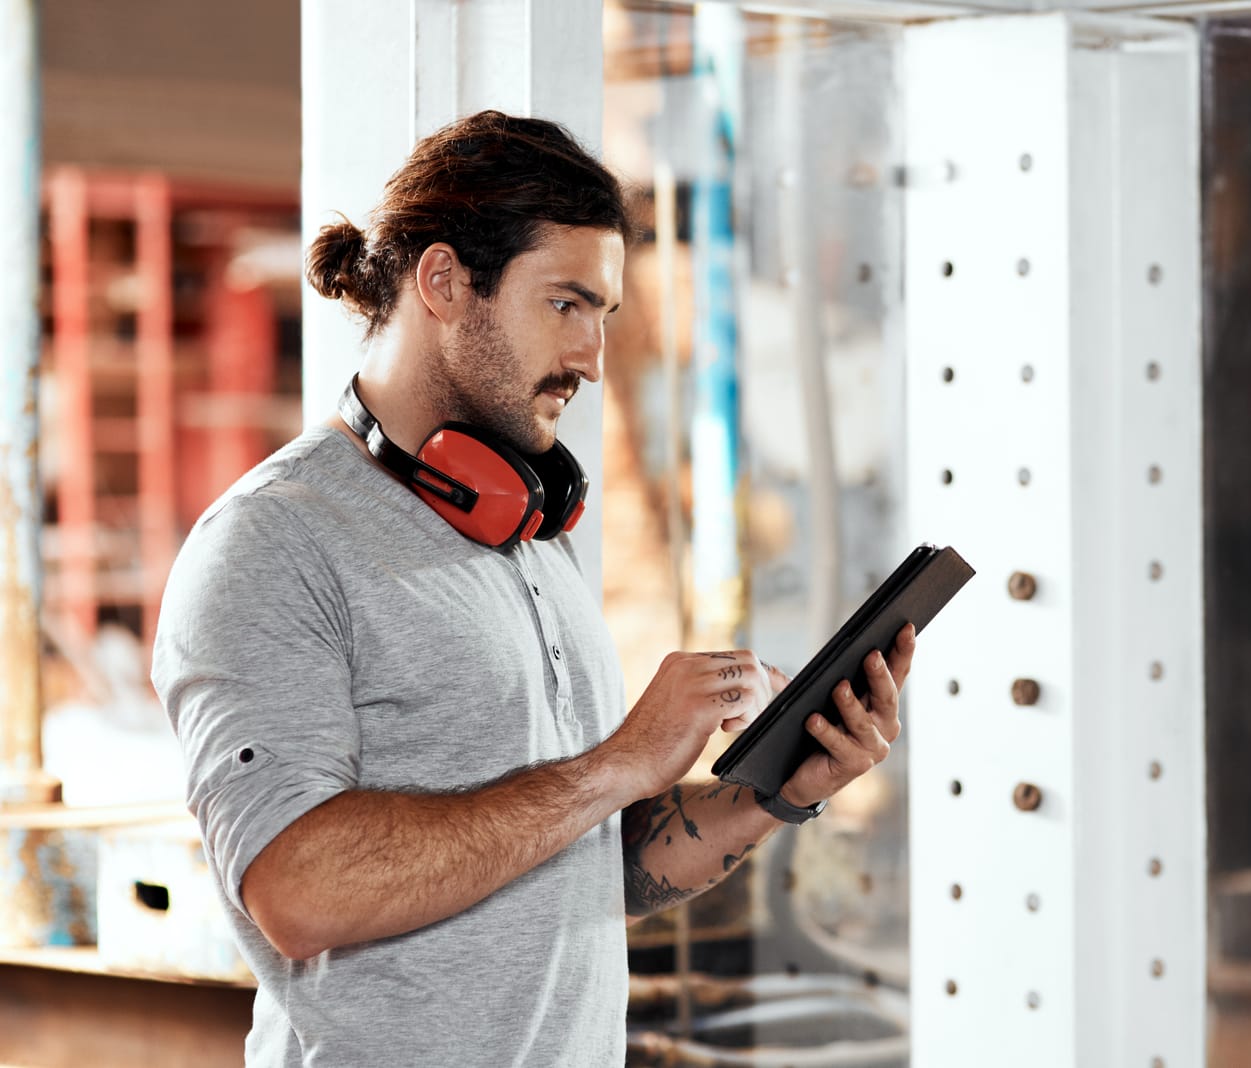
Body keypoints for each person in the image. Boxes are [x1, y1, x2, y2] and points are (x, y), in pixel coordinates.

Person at [151, 110, 916, 1067]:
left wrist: (777, 794)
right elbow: (299, 891)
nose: (593, 357)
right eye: (566, 304)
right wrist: (617, 763)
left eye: (606, 316)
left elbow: (588, 861)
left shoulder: (523, 535)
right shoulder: (275, 543)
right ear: (443, 283)